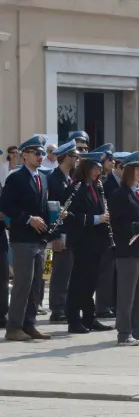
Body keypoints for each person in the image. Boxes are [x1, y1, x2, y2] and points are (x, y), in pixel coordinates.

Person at [0, 136, 52, 341]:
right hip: (22, 238)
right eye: (36, 153)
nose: (40, 157)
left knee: (37, 284)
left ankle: (29, 324)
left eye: (41, 153)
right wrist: (28, 219)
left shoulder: (43, 178)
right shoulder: (16, 177)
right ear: (25, 156)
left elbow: (44, 206)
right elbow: (6, 205)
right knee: (23, 283)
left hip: (39, 238)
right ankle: (14, 327)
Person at [109, 151, 139, 347]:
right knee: (127, 294)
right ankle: (124, 333)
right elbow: (117, 225)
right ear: (128, 170)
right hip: (128, 250)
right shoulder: (118, 195)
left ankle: (137, 329)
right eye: (137, 168)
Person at [63, 152, 115, 334]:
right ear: (85, 169)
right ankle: (73, 319)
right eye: (94, 168)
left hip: (97, 242)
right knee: (79, 282)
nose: (97, 172)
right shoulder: (76, 188)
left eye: (99, 169)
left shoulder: (97, 188)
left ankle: (89, 317)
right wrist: (95, 219)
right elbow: (69, 217)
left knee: (91, 282)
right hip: (82, 242)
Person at [46, 140, 80, 323]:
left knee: (70, 271)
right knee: (59, 271)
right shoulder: (53, 179)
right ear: (66, 157)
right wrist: (55, 236)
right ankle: (57, 308)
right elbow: (50, 209)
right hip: (61, 231)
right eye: (74, 156)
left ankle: (67, 305)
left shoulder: (73, 178)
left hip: (73, 231)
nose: (76, 160)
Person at [95, 150, 125, 320]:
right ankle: (103, 305)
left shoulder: (122, 183)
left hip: (119, 234)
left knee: (116, 273)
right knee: (106, 272)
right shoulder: (107, 183)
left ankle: (113, 303)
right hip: (107, 232)